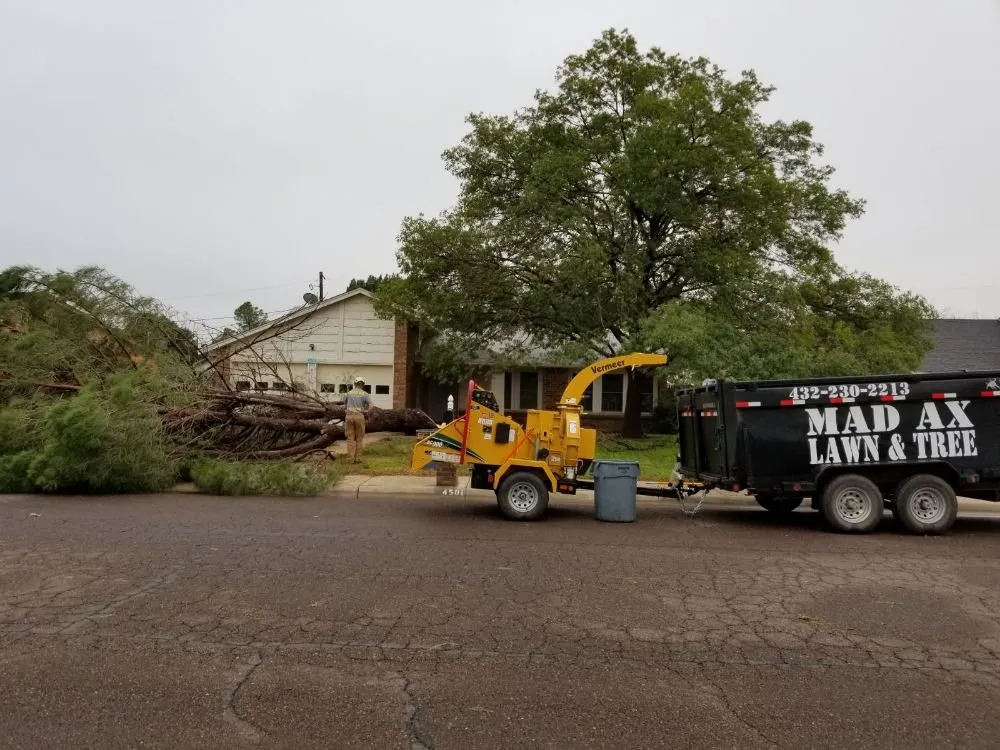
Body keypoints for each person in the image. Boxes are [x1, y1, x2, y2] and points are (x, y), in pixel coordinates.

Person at [344, 377, 372, 463]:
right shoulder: (365, 394)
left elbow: (344, 406)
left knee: (350, 438)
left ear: (355, 384)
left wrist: (347, 411)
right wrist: (366, 412)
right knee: (359, 438)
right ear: (363, 385)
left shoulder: (348, 393)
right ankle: (358, 458)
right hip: (359, 416)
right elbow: (371, 406)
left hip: (349, 416)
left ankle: (350, 459)